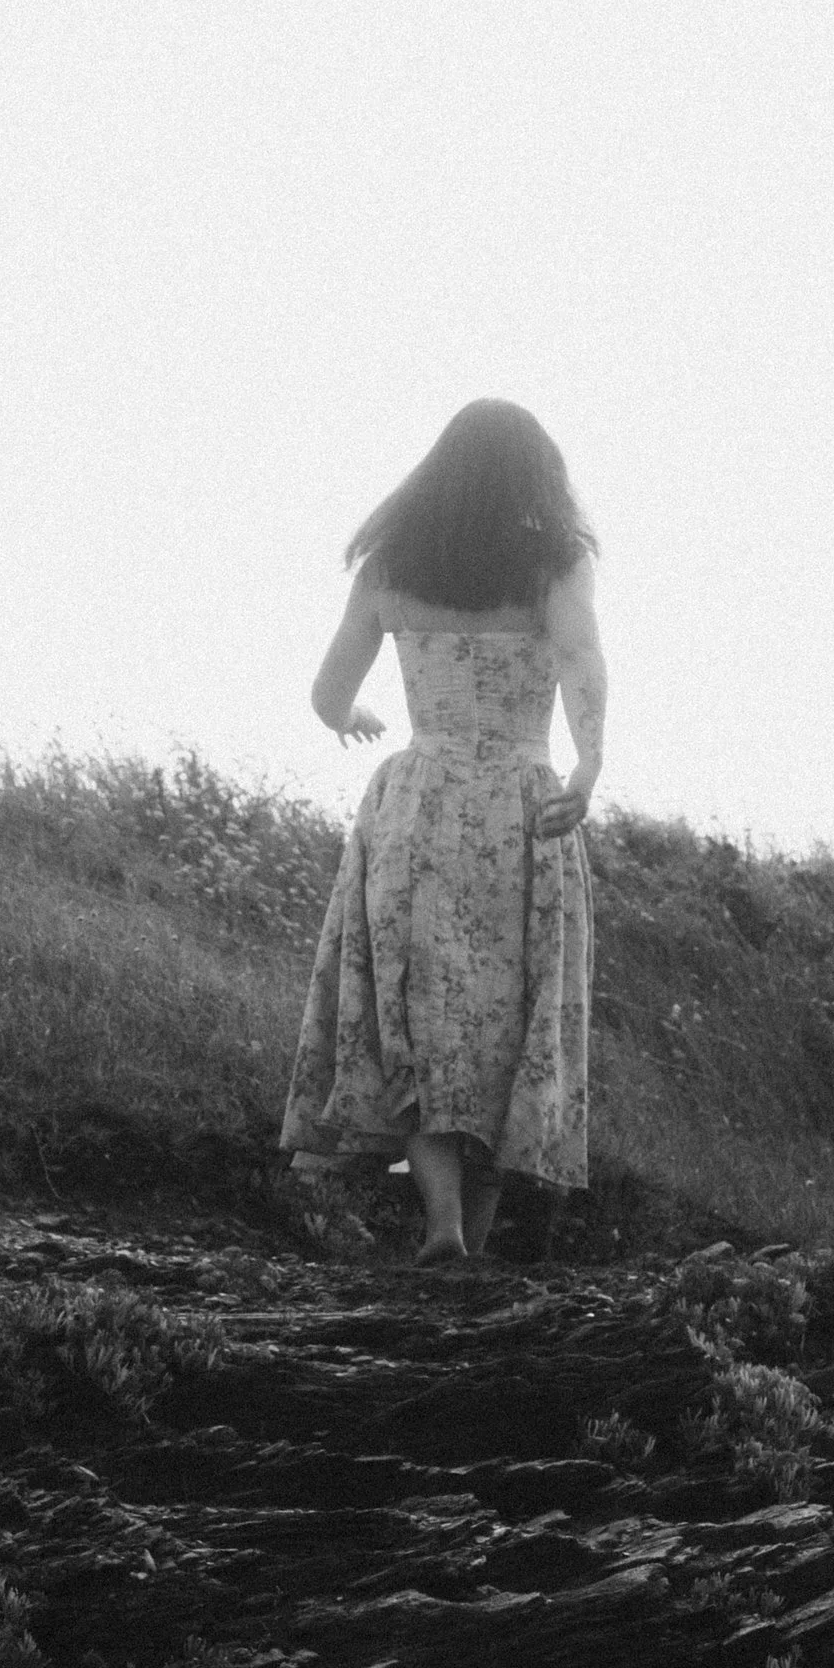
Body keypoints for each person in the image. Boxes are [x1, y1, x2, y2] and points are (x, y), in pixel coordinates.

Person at [279, 398, 606, 1264]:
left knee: (415, 1016)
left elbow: (325, 692)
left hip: (416, 806)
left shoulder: (392, 567)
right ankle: (477, 1241)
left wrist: (350, 716)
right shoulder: (556, 564)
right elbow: (579, 661)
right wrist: (588, 765)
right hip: (519, 806)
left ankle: (443, 1226)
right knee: (509, 1023)